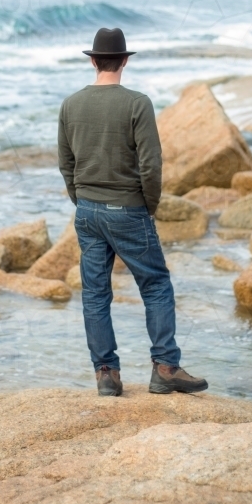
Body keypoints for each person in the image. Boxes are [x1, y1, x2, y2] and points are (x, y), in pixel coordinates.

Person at [58, 26, 208, 397]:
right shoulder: (137, 103)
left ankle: (106, 375)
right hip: (128, 209)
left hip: (88, 211)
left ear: (93, 61)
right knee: (155, 285)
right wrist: (148, 206)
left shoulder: (70, 105)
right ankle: (165, 368)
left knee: (95, 294)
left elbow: (66, 163)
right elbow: (151, 165)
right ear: (124, 61)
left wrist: (83, 201)